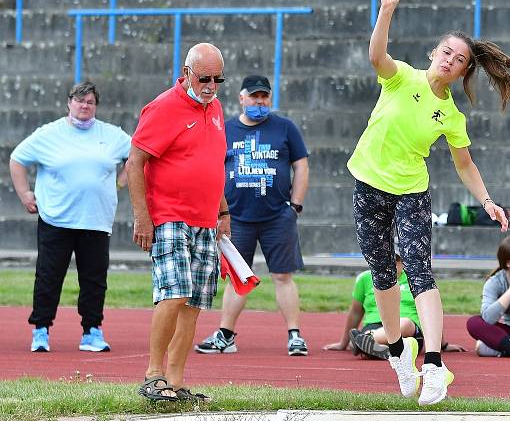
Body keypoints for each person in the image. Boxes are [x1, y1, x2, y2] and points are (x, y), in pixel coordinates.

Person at [346, 0, 510, 406]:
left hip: (411, 191)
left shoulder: (451, 116)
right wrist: (387, 9)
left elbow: (464, 163)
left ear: (464, 70)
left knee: (419, 269)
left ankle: (432, 363)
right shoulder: (401, 77)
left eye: (459, 59)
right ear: (434, 53)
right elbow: (376, 55)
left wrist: (486, 201)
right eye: (446, 51)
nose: (450, 60)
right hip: (369, 183)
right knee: (383, 275)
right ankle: (397, 352)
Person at [127, 43, 229, 402]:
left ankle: (176, 380)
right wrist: (142, 215)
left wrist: (224, 214)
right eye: (204, 78)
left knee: (195, 303)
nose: (211, 86)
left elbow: (213, 165)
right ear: (186, 73)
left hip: (205, 220)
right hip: (170, 216)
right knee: (175, 293)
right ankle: (153, 375)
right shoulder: (163, 107)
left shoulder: (215, 108)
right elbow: (134, 162)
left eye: (218, 79)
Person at [9, 82, 130, 353]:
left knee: (94, 279)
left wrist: (120, 184)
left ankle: (92, 331)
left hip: (96, 220)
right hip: (56, 218)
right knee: (49, 276)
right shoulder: (48, 134)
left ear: (96, 106)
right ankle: (40, 330)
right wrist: (25, 193)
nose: (84, 105)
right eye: (80, 101)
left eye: (90, 102)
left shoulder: (112, 135)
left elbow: (136, 158)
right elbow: (17, 159)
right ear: (69, 103)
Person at [194, 75, 310, 356]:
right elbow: (212, 168)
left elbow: (301, 165)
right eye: (254, 97)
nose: (259, 102)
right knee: (237, 276)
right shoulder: (226, 129)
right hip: (237, 218)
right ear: (241, 98)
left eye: (264, 97)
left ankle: (294, 335)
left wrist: (295, 206)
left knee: (282, 276)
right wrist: (219, 211)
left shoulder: (285, 127)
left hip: (277, 216)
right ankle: (226, 334)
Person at [323, 251, 465, 359]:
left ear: (403, 263)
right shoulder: (365, 278)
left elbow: (429, 312)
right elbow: (355, 312)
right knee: (378, 339)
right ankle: (379, 349)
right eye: (387, 259)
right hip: (375, 325)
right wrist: (343, 343)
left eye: (396, 260)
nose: (391, 264)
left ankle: (365, 342)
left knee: (404, 323)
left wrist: (442, 344)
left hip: (408, 329)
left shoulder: (416, 280)